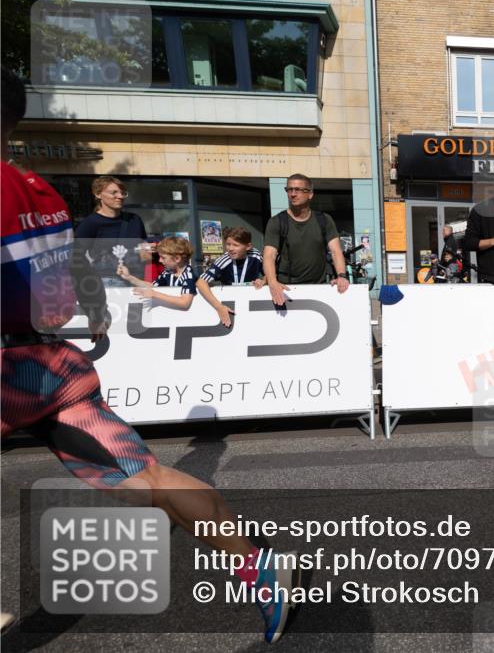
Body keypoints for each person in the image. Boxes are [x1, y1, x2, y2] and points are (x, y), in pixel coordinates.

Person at [0, 67, 298, 643]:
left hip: (11, 368)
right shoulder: (44, 195)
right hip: (52, 365)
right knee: (149, 477)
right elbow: (67, 287)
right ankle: (260, 570)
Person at [262, 173, 349, 306]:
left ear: (310, 194)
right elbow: (269, 255)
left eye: (298, 190)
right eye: (289, 189)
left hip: (318, 288)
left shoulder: (324, 220)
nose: (292, 194)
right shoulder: (277, 221)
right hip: (286, 289)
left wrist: (342, 276)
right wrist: (272, 282)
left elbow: (336, 251)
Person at [74, 175, 147, 287]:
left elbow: (143, 250)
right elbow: (75, 255)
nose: (120, 196)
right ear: (98, 194)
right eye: (114, 193)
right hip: (107, 280)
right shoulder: (90, 223)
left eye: (122, 192)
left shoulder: (134, 220)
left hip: (137, 279)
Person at [196, 226, 266, 327]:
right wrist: (219, 307)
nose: (230, 248)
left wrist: (264, 281)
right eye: (228, 244)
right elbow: (200, 282)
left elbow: (270, 274)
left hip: (250, 305)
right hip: (229, 307)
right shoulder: (224, 260)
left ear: (248, 246)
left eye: (235, 245)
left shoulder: (256, 256)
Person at [117, 235, 198, 311]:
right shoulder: (167, 273)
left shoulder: (188, 276)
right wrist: (129, 277)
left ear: (177, 258)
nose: (160, 260)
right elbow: (153, 286)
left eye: (163, 258)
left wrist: (155, 294)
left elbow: (184, 303)